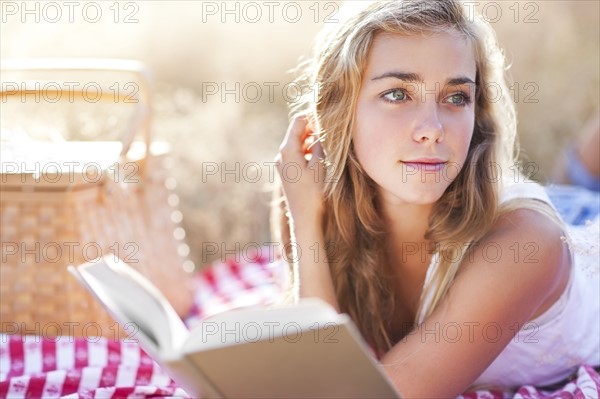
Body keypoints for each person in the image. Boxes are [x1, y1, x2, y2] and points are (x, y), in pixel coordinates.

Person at [272, 0, 600, 397]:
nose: (432, 130)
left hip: (572, 242)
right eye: (398, 94)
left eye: (456, 96)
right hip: (559, 213)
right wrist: (306, 220)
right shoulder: (311, 194)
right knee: (572, 189)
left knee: (577, 194)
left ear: (476, 113)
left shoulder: (525, 247)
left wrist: (307, 228)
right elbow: (314, 366)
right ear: (339, 112)